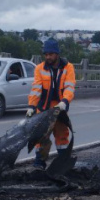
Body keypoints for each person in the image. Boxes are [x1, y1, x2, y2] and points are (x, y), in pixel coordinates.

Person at [27, 38, 76, 170]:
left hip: (60, 108)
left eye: (50, 54)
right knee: (41, 136)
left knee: (62, 135)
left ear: (57, 54)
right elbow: (36, 89)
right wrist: (31, 106)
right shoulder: (39, 68)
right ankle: (39, 163)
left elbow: (69, 87)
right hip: (43, 108)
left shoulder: (68, 67)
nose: (48, 57)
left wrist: (64, 102)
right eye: (46, 54)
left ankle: (63, 161)